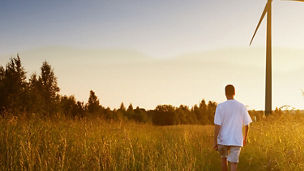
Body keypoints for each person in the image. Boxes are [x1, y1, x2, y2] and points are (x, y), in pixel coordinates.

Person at [213, 84, 252, 171]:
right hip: (236, 139)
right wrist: (245, 138)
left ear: (225, 93)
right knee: (233, 163)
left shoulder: (220, 106)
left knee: (223, 160)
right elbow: (247, 125)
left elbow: (217, 125)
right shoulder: (241, 106)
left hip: (222, 140)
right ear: (234, 92)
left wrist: (215, 141)